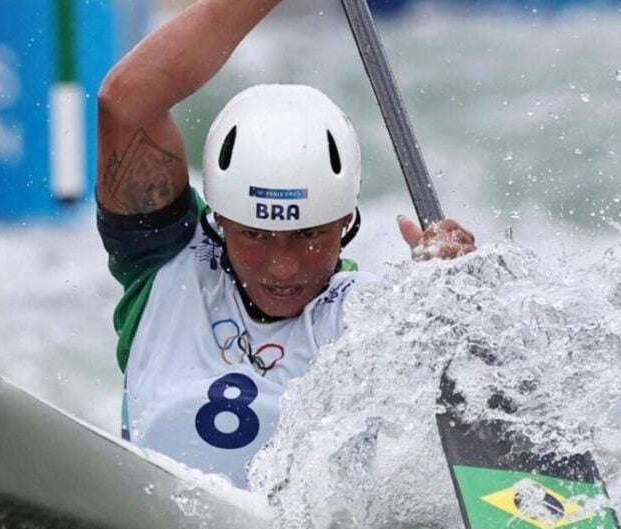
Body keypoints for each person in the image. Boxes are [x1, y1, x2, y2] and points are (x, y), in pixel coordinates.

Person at [95, 0, 477, 487]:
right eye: (254, 235)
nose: (282, 267)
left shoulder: (374, 319)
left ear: (344, 220)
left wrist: (459, 303)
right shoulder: (162, 263)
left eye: (310, 235)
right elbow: (126, 100)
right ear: (221, 218)